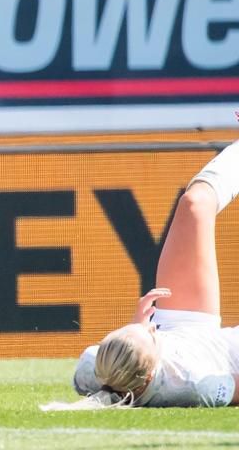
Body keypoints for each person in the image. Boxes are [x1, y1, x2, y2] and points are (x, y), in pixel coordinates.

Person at [46, 139, 239, 409]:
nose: (148, 324)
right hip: (227, 357)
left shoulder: (93, 366)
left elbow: (125, 363)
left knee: (194, 204)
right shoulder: (192, 384)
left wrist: (140, 327)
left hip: (179, 328)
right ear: (150, 375)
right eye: (149, 333)